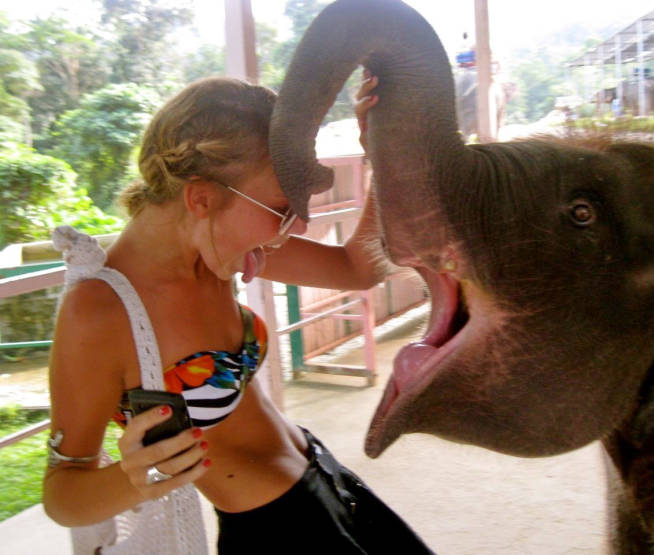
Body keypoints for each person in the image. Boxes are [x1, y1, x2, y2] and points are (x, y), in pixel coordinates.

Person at [43, 72, 432, 554]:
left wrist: (380, 152)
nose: (295, 227)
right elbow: (62, 493)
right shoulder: (101, 310)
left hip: (327, 477)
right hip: (276, 534)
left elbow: (358, 268)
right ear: (201, 198)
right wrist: (133, 480)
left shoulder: (220, 249)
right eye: (282, 208)